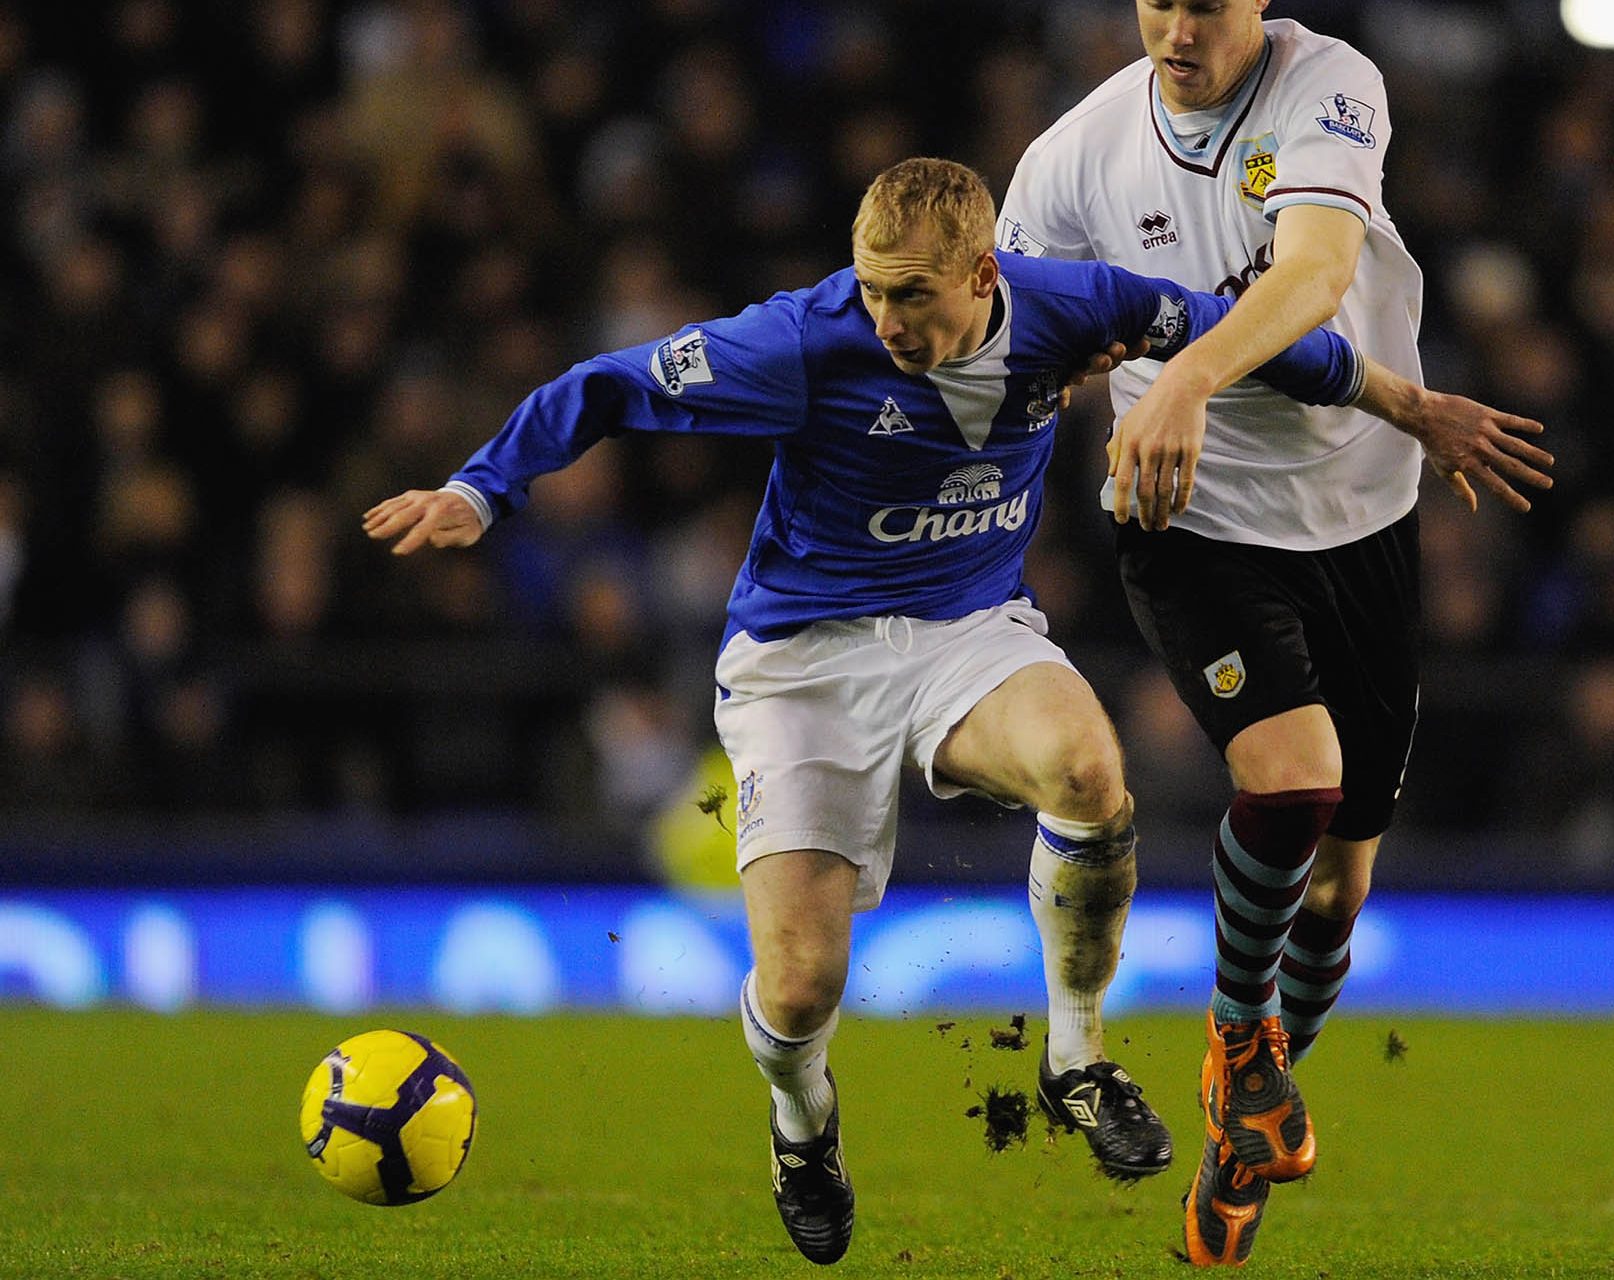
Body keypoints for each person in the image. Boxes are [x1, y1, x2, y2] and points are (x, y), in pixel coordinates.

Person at [364, 156, 1410, 1265]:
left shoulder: (1072, 307)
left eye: (912, 293)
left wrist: (1406, 404)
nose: (887, 317)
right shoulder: (804, 342)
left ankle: (1074, 1055)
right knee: (803, 983)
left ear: (983, 271)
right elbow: (610, 383)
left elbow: (1245, 329)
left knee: (1092, 770)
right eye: (872, 289)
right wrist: (479, 487)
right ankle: (803, 1122)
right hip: (803, 660)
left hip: (967, 628)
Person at [1000, 2, 1554, 1266]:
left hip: (1359, 517)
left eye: (1208, 3)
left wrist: (1186, 369)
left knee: (1343, 887)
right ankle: (1236, 1038)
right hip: (1191, 520)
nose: (1179, 27)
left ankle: (1236, 1120)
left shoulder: (1329, 85)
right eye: (1158, 2)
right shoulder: (1072, 159)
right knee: (1294, 776)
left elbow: (1313, 272)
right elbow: (1022, 340)